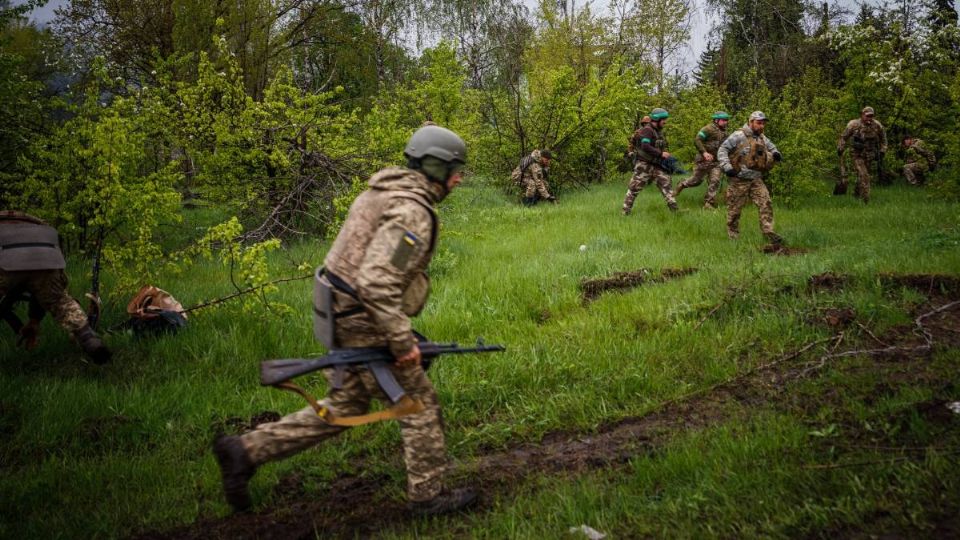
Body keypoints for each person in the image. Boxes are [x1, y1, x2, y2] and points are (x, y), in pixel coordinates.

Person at [213, 125, 477, 516]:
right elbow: (377, 283)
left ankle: (245, 451)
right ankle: (428, 496)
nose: (457, 179)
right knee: (419, 403)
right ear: (434, 167)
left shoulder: (382, 192)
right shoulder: (411, 212)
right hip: (363, 317)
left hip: (340, 313)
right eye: (453, 169)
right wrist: (403, 345)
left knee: (346, 405)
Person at [0, 211, 110, 363]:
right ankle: (89, 339)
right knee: (60, 302)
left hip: (5, 258)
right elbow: (40, 287)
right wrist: (34, 320)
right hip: (45, 254)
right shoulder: (32, 222)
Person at [718, 111, 784, 245]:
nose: (762, 126)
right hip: (739, 180)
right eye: (759, 123)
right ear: (751, 122)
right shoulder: (738, 136)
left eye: (763, 123)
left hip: (756, 179)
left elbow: (772, 147)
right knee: (734, 210)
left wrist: (776, 153)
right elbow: (722, 150)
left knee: (766, 203)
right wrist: (727, 167)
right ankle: (733, 237)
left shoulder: (762, 137)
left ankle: (768, 232)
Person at [622, 108, 677, 214]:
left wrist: (665, 155)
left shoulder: (658, 132)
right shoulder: (647, 130)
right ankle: (625, 213)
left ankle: (675, 211)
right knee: (634, 189)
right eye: (663, 119)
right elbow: (645, 146)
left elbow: (661, 146)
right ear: (657, 119)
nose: (665, 122)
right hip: (644, 165)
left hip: (656, 165)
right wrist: (661, 154)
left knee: (666, 185)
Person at [673, 111, 730, 209]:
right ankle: (682, 184)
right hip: (703, 161)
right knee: (696, 181)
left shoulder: (725, 133)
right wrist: (704, 152)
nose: (726, 122)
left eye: (727, 120)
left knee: (715, 180)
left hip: (716, 162)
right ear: (716, 120)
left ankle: (708, 203)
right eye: (724, 120)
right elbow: (697, 139)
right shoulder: (708, 129)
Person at [837, 106, 887, 202]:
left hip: (870, 155)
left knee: (862, 176)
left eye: (871, 116)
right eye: (867, 116)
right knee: (864, 176)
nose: (869, 118)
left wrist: (882, 150)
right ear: (862, 115)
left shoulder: (877, 125)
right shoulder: (853, 124)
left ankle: (856, 194)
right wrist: (840, 147)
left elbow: (884, 139)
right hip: (856, 155)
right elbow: (843, 137)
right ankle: (866, 200)